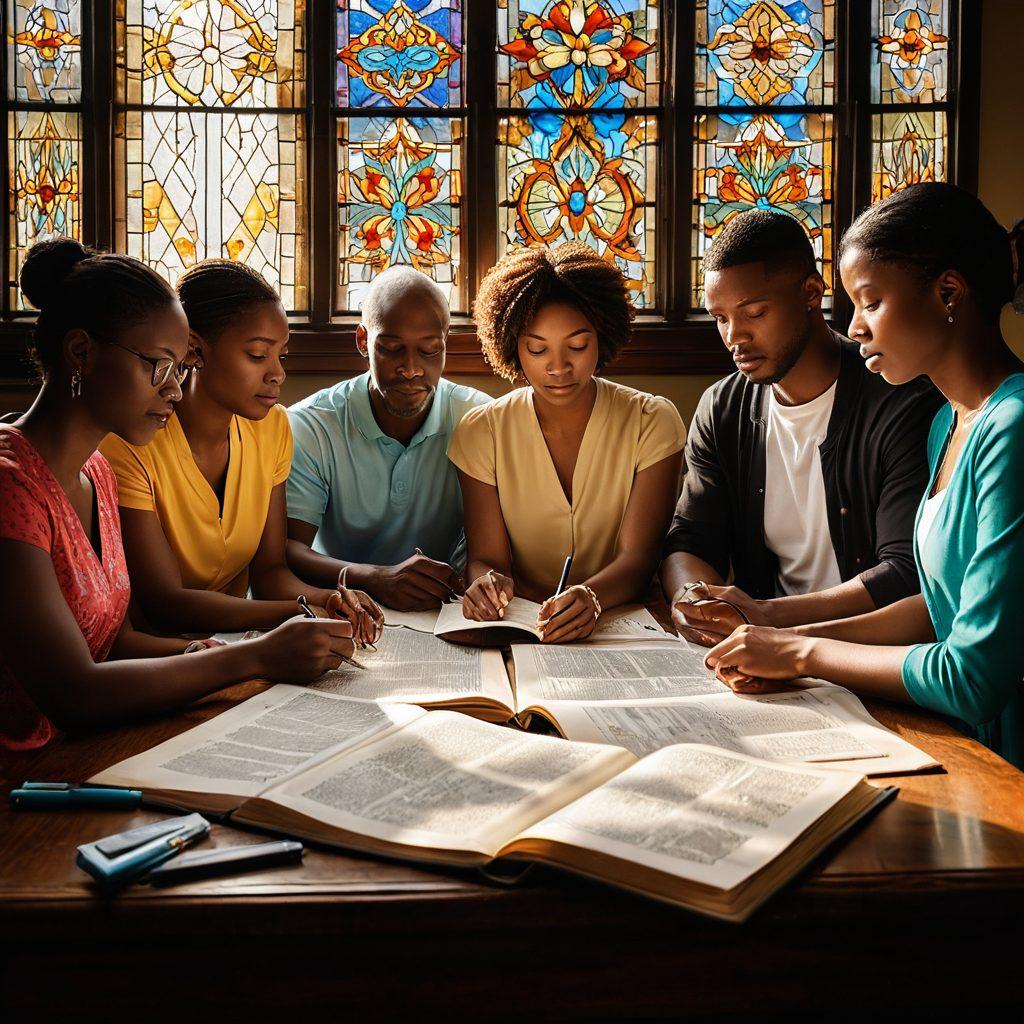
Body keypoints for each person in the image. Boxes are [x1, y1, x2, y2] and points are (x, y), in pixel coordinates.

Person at [704, 183, 1024, 769]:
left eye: (871, 302)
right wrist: (770, 633)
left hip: (1002, 757)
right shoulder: (947, 426)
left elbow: (972, 674)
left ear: (948, 292)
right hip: (942, 734)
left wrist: (804, 653)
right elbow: (936, 607)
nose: (853, 328)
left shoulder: (1014, 429)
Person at [0, 240, 355, 751]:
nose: (174, 388)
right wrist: (250, 657)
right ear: (81, 352)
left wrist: (201, 651)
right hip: (27, 770)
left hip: (93, 743)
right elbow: (74, 692)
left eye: (179, 368)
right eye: (159, 366)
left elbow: (114, 642)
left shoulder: (95, 472)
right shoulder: (12, 484)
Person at [661, 209, 940, 645]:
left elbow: (904, 571)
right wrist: (692, 601)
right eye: (720, 318)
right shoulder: (722, 408)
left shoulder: (899, 397)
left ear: (811, 293)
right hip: (764, 657)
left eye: (754, 312)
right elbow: (690, 541)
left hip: (872, 655)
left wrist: (766, 618)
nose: (735, 336)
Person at [100, 260, 381, 642]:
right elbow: (163, 602)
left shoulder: (272, 427)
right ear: (195, 350)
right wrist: (300, 611)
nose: (277, 374)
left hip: (244, 643)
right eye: (256, 355)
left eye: (281, 355)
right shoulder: (131, 443)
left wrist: (329, 599)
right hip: (161, 658)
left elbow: (269, 573)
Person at [449, 242, 686, 643]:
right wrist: (486, 585)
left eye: (577, 346)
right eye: (537, 349)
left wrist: (592, 597)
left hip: (624, 625)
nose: (558, 367)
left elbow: (639, 558)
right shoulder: (482, 431)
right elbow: (487, 559)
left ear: (603, 337)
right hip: (522, 628)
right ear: (512, 346)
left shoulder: (653, 422)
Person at [286, 266, 490, 611]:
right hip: (344, 608)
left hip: (446, 613)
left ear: (446, 343)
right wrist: (374, 578)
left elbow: (491, 553)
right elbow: (288, 551)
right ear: (362, 340)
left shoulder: (479, 419)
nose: (410, 369)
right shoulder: (312, 425)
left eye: (428, 351)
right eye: (392, 349)